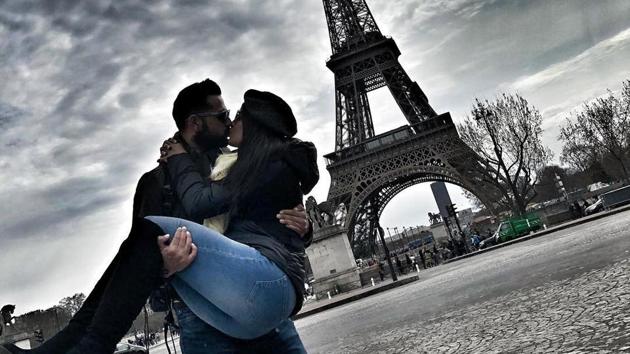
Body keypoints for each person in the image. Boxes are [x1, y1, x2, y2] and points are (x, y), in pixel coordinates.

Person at [1, 84, 317, 354]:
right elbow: (134, 263)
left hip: (250, 292)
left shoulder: (239, 164)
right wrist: (165, 269)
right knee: (143, 235)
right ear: (196, 123)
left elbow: (264, 213)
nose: (229, 121)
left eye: (232, 115)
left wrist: (303, 227)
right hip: (199, 313)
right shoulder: (156, 182)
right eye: (221, 116)